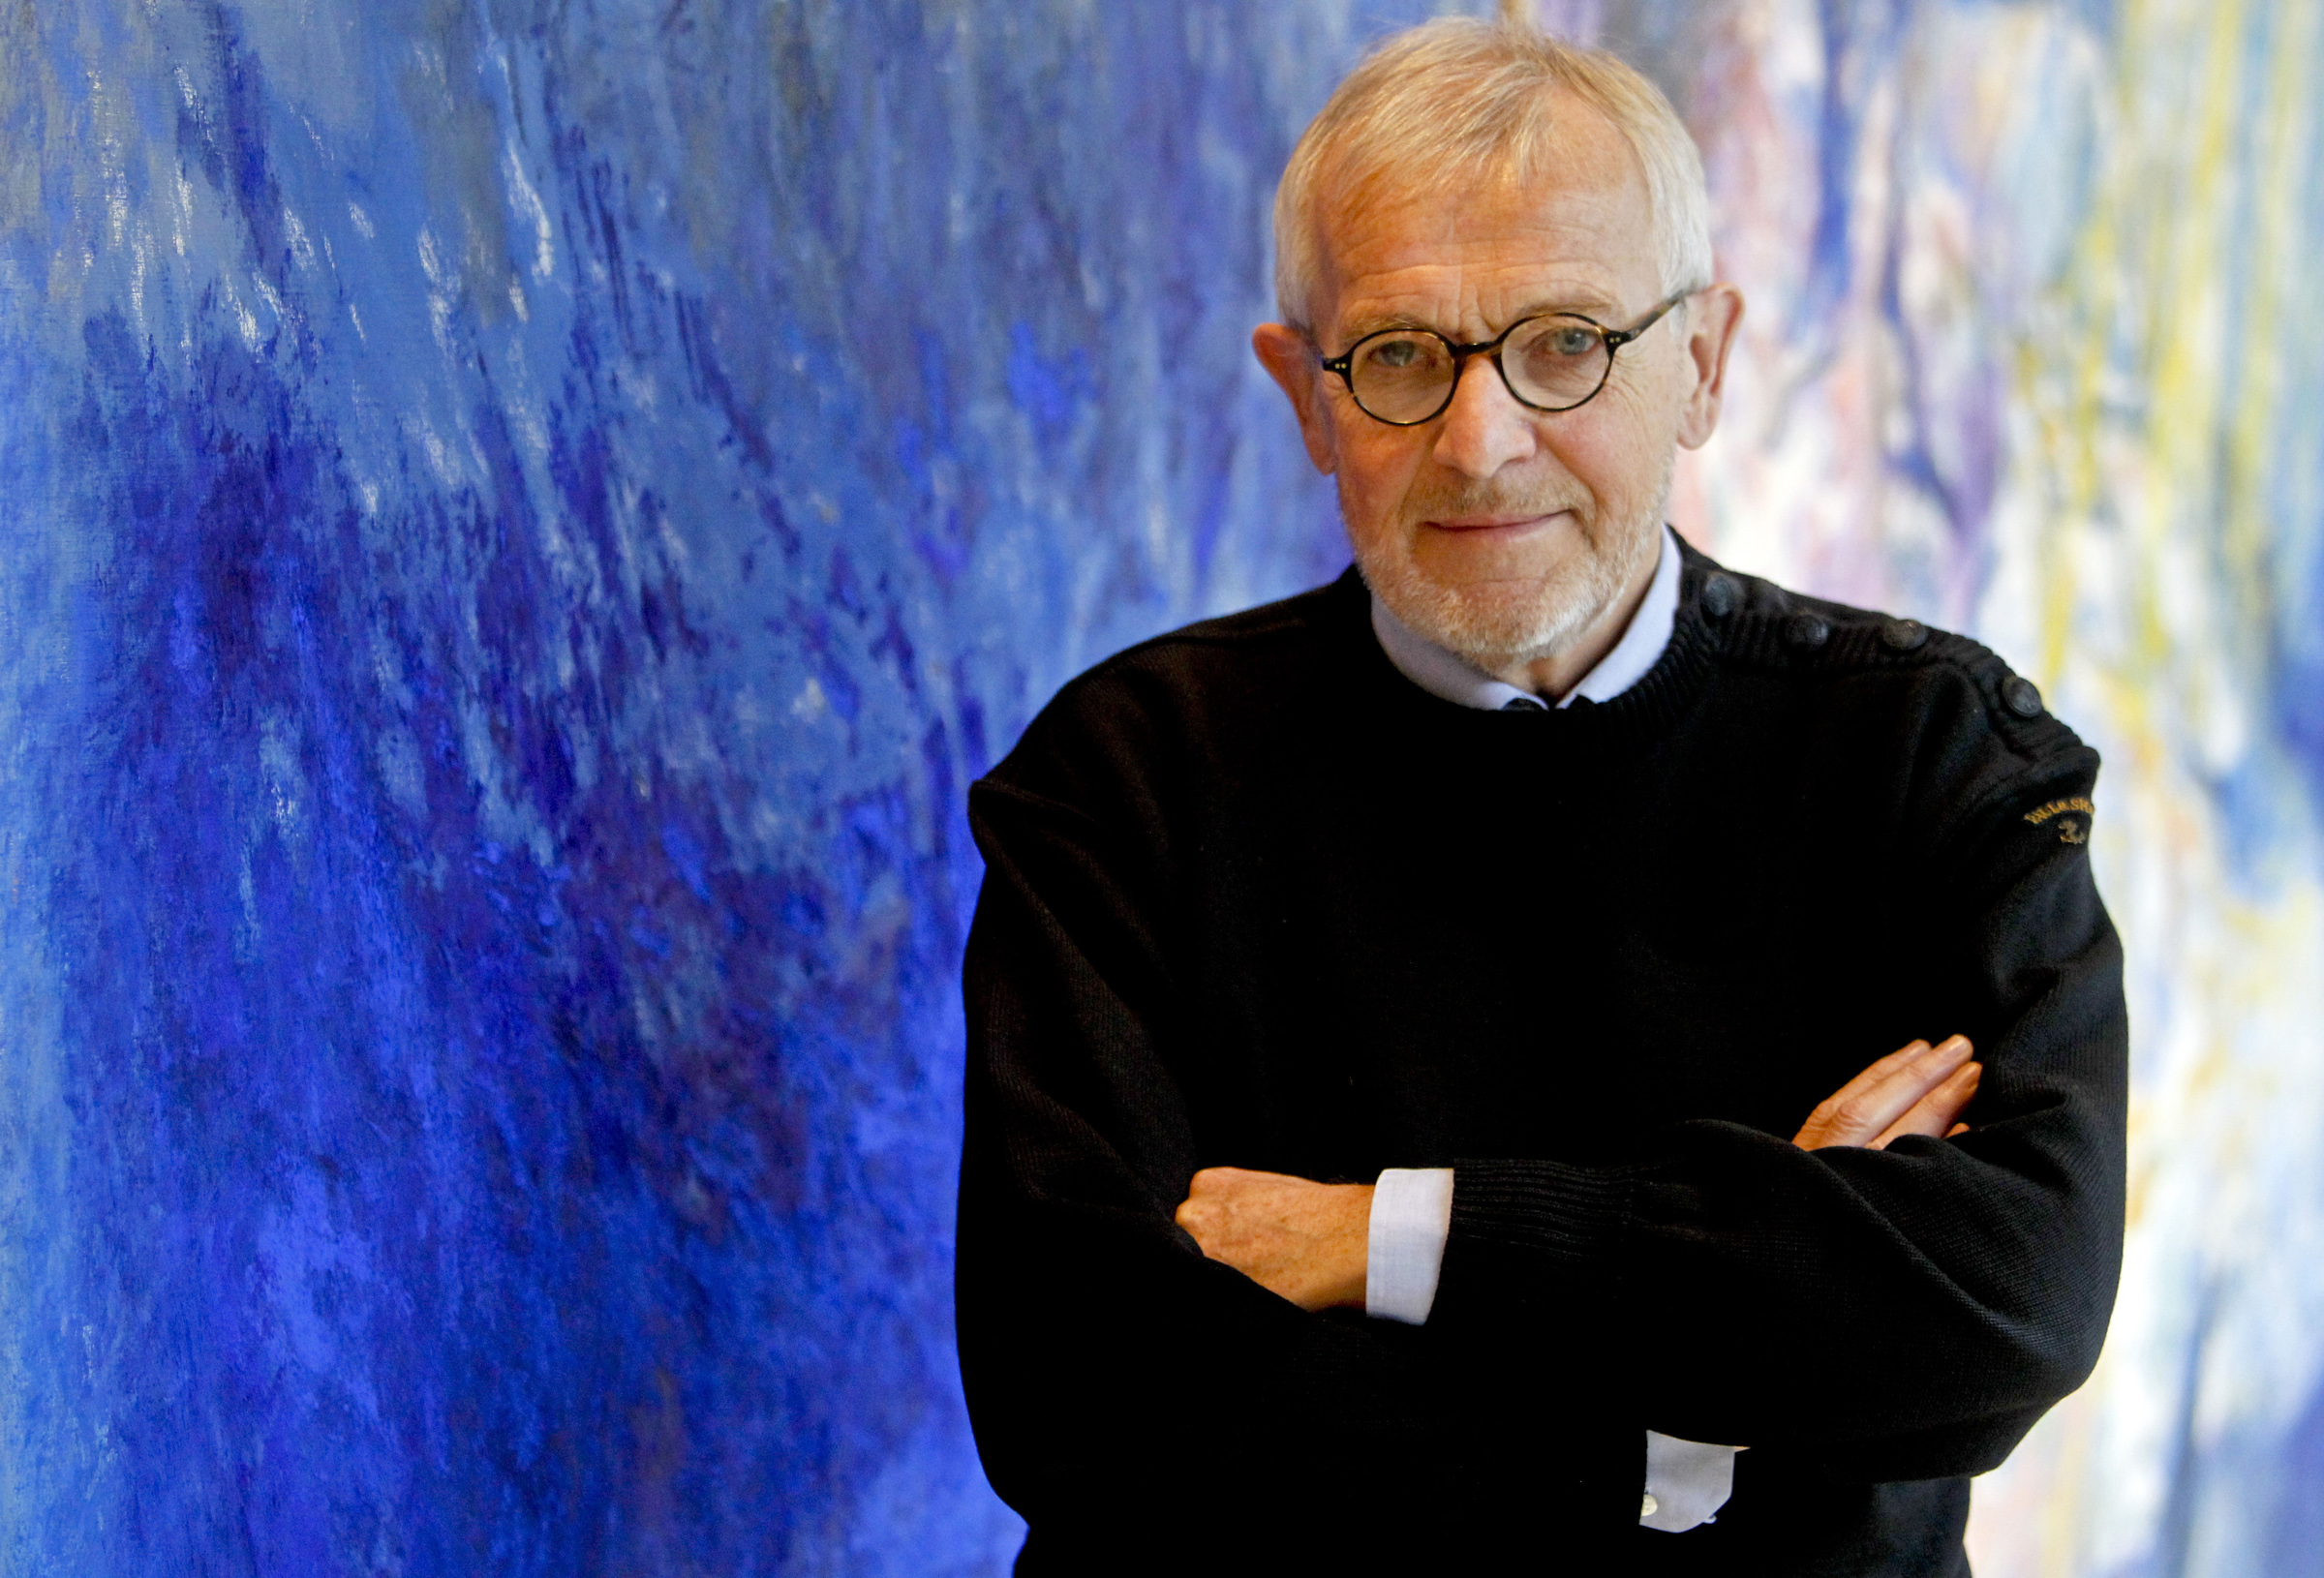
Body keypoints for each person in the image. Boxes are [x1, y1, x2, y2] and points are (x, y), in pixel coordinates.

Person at [955, 19, 2125, 1575]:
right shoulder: (1121, 784)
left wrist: (1387, 1237)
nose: (1481, 441)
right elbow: (1087, 1398)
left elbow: (2007, 1299)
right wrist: (1705, 1415)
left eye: (1567, 341)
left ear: (1701, 363)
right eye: (1399, 356)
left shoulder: (1937, 758)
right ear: (1305, 395)